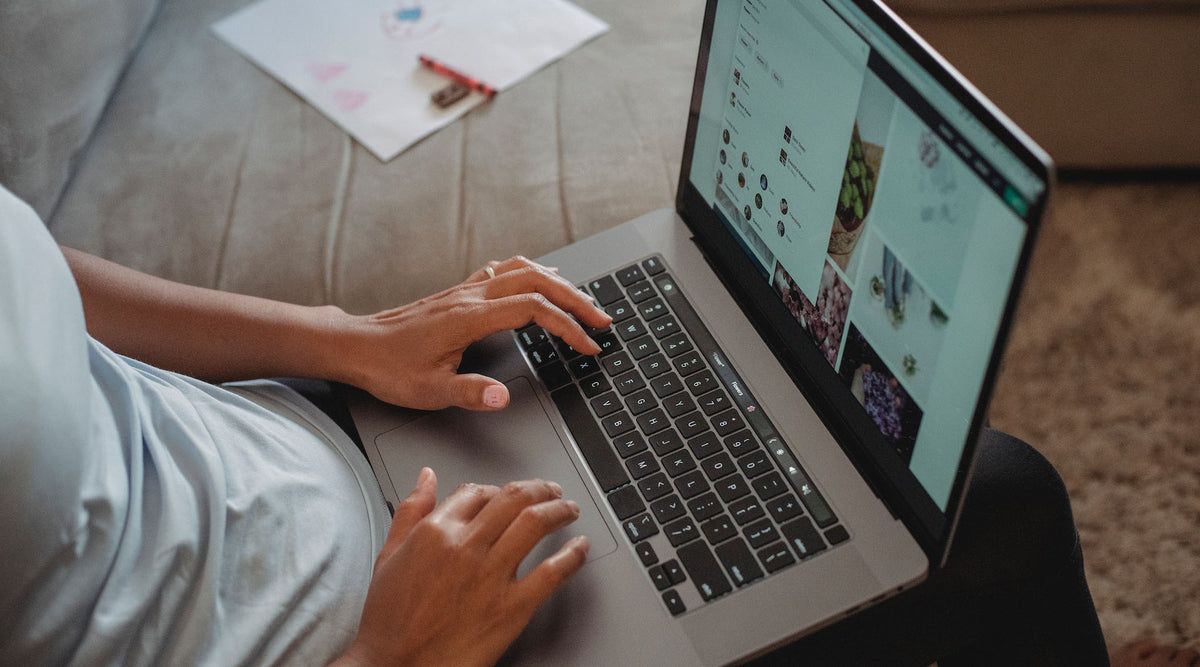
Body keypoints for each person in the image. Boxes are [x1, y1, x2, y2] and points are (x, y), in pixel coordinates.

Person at [1, 184, 1177, 665]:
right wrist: (389, 656)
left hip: (307, 427)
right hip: (397, 631)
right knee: (1001, 509)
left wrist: (340, 339)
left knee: (678, 352)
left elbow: (41, 274)